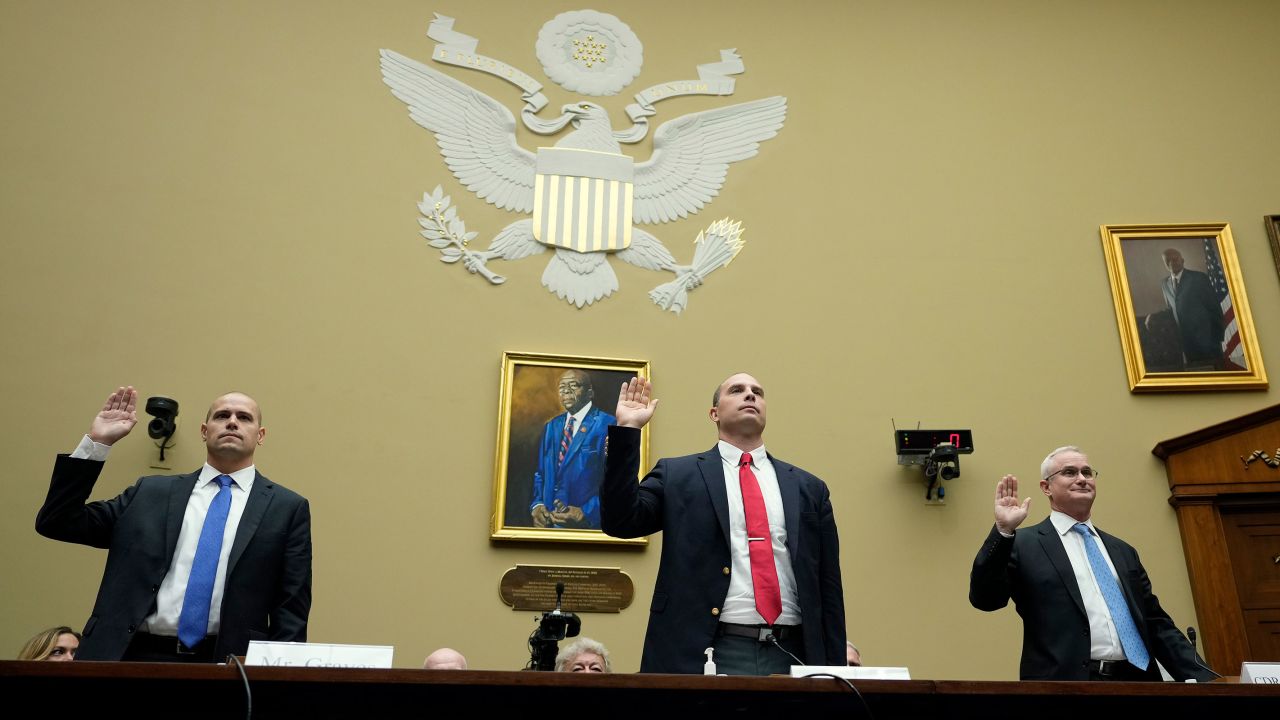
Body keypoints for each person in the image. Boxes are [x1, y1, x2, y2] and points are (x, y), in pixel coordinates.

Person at [35, 387, 312, 662]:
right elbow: (58, 521)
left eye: (244, 417)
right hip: (133, 656)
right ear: (204, 431)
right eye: (222, 415)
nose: (232, 422)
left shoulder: (286, 509)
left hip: (228, 664)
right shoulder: (150, 494)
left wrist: (280, 682)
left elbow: (291, 608)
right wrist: (97, 443)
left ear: (260, 435)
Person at [601, 374, 845, 675]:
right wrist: (628, 430)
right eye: (737, 390)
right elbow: (621, 521)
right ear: (714, 413)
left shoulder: (808, 488)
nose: (750, 395)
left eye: (757, 392)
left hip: (794, 653)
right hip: (709, 650)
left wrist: (838, 671)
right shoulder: (678, 475)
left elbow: (829, 587)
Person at [969, 446, 1215, 681]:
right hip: (1065, 685)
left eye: (1087, 472)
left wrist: (1209, 680)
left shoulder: (1122, 550)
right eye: (1069, 472)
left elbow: (1155, 622)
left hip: (1138, 681)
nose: (1082, 478)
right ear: (1046, 487)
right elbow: (986, 599)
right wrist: (1003, 531)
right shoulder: (1023, 544)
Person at [530, 370, 616, 529]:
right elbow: (540, 473)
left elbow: (617, 482)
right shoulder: (551, 426)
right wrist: (537, 505)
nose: (566, 390)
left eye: (573, 385)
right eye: (562, 387)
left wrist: (587, 512)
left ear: (590, 393)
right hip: (548, 527)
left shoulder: (609, 424)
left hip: (588, 528)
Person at [1145, 248, 1224, 369]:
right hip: (1186, 343)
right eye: (1168, 261)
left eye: (1175, 259)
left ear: (1182, 260)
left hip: (1207, 341)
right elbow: (1172, 309)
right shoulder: (1164, 284)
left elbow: (1214, 308)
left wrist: (1217, 339)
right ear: (1165, 264)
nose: (1172, 263)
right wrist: (1153, 316)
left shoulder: (1199, 278)